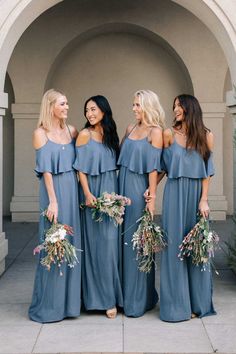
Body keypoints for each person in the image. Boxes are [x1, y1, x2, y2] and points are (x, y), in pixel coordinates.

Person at [160, 94, 216, 322]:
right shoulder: (168, 134)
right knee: (175, 248)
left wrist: (204, 199)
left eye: (179, 105)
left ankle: (198, 304)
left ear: (190, 108)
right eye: (173, 106)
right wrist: (149, 189)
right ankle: (176, 305)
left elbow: (208, 171)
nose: (175, 109)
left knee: (197, 250)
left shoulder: (206, 136)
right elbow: (163, 167)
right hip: (174, 194)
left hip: (196, 197)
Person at [29, 89, 81, 323]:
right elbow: (46, 170)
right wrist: (53, 200)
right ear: (51, 107)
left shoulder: (72, 131)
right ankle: (50, 305)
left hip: (72, 189)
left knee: (71, 242)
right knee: (53, 243)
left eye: (67, 102)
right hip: (54, 194)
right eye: (63, 103)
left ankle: (70, 304)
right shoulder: (40, 133)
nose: (67, 107)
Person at [73, 95, 123, 319]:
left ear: (104, 110)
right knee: (95, 247)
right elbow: (80, 169)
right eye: (87, 110)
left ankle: (112, 295)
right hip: (92, 194)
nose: (89, 114)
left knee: (111, 248)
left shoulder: (110, 135)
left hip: (110, 192)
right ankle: (100, 300)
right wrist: (87, 194)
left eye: (93, 109)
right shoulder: (84, 135)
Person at [118, 89, 165, 317]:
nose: (134, 108)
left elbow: (156, 168)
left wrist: (152, 196)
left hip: (138, 192)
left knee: (137, 243)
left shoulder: (155, 132)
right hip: (121, 187)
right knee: (121, 243)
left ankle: (139, 299)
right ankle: (122, 295)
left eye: (138, 105)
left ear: (148, 105)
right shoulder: (130, 129)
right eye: (133, 104)